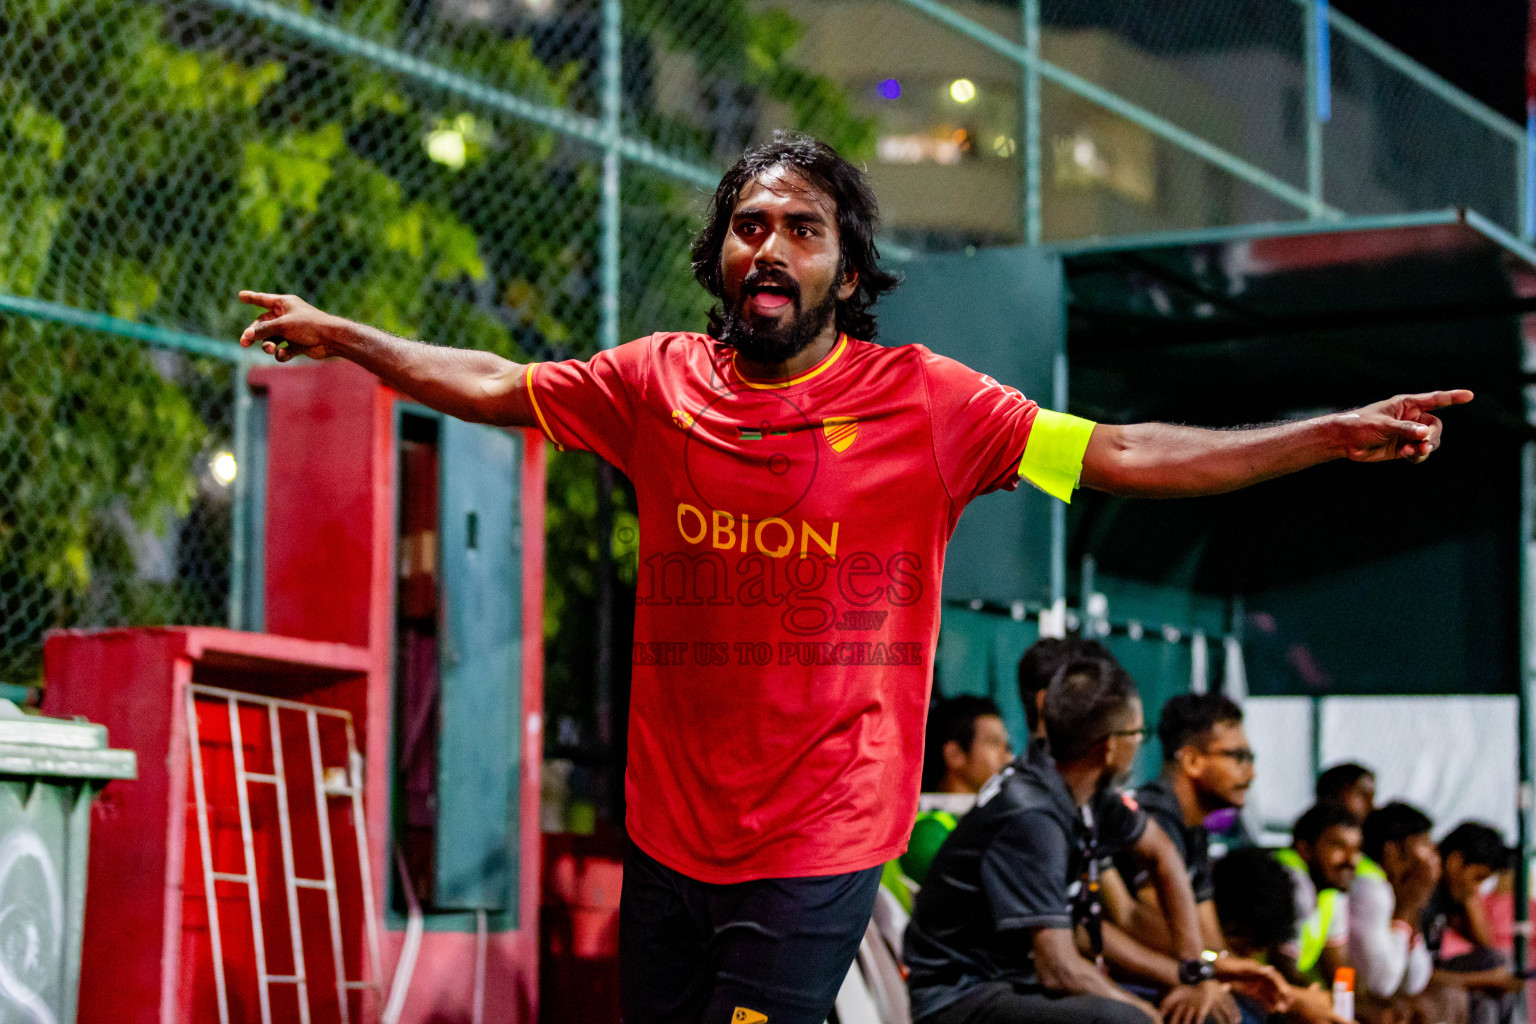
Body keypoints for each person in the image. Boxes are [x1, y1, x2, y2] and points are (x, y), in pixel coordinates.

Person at [237, 130, 1472, 1023]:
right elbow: (502, 384)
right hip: (669, 829)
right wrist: (350, 339)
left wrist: (1324, 432)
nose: (768, 245)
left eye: (801, 228)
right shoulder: (656, 384)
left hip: (819, 828)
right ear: (723, 254)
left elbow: (1124, 452)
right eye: (749, 225)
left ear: (847, 265)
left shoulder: (930, 404)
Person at [905, 658, 1233, 1024]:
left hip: (1014, 982)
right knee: (1130, 1022)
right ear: (1108, 747)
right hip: (961, 996)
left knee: (1207, 1012)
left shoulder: (1083, 790)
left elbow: (1162, 854)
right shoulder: (1032, 815)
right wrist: (1148, 1015)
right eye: (1137, 734)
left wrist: (1194, 974)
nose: (1140, 744)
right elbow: (1058, 969)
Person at [1110, 693, 1254, 952]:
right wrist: (1218, 970)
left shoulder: (1194, 828)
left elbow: (1209, 939)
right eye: (1238, 757)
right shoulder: (1153, 817)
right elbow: (1163, 930)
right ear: (1192, 761)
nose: (1250, 773)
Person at [903, 696, 1014, 885]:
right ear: (955, 755)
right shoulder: (929, 830)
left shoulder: (988, 818)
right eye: (994, 743)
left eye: (1007, 746)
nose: (1008, 757)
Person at [1421, 823, 1522, 1024]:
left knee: (1497, 971)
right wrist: (1483, 980)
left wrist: (1469, 896)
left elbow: (1485, 944)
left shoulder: (1450, 894)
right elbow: (1417, 976)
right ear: (1455, 861)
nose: (1478, 889)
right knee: (1480, 995)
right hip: (1417, 982)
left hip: (1433, 974)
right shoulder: (1421, 891)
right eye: (1477, 878)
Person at [1350, 803, 1439, 1018]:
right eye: (1424, 844)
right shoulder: (1369, 887)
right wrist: (1407, 908)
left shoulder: (1394, 889)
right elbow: (1382, 982)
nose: (1433, 856)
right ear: (1393, 851)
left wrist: (1413, 906)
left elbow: (1415, 982)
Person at [1275, 804, 1361, 989]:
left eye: (1356, 849)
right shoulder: (1288, 879)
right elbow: (1282, 969)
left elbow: (1338, 970)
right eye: (1339, 846)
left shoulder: (1331, 891)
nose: (1350, 860)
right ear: (1305, 848)